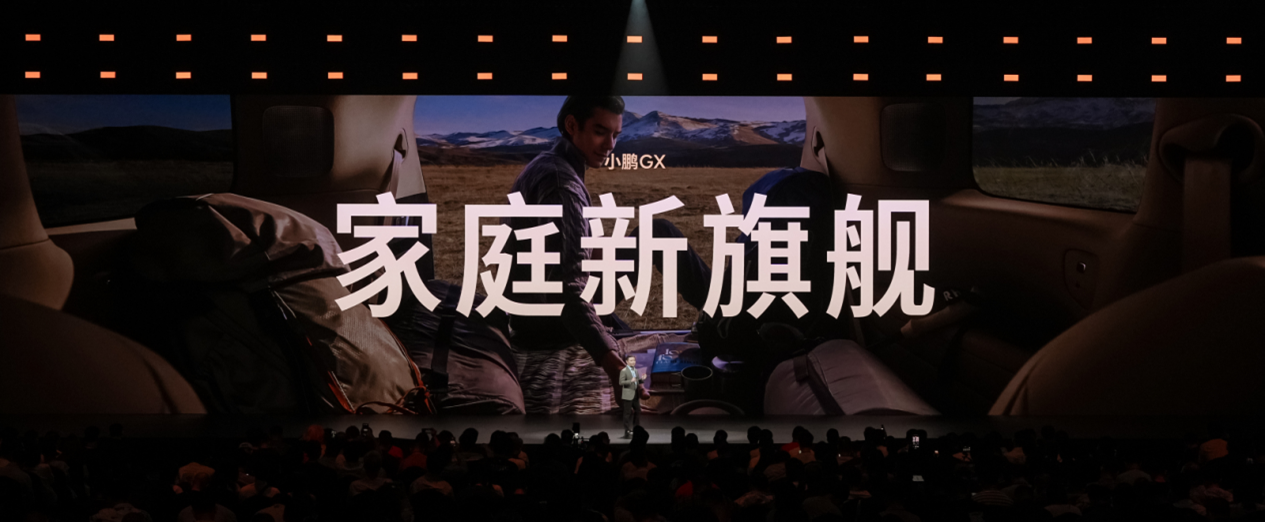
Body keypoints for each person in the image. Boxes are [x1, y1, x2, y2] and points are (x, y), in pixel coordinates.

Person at [504, 95, 711, 402]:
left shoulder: (548, 164)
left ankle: (723, 314)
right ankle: (727, 317)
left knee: (652, 235)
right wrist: (614, 367)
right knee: (661, 233)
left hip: (531, 314)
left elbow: (557, 250)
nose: (610, 145)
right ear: (572, 125)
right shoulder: (562, 183)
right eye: (600, 132)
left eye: (615, 134)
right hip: (549, 322)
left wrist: (608, 250)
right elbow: (567, 288)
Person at [620, 355, 645, 436]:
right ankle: (627, 430)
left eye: (634, 360)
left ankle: (636, 428)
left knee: (638, 410)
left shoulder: (635, 370)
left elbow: (636, 382)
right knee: (627, 413)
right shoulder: (624, 371)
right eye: (631, 360)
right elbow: (621, 382)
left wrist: (642, 379)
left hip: (635, 394)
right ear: (627, 362)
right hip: (628, 394)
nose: (633, 362)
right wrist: (630, 381)